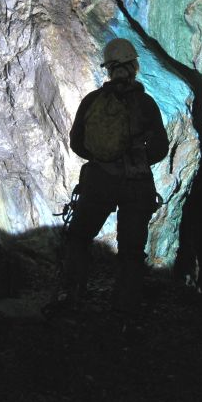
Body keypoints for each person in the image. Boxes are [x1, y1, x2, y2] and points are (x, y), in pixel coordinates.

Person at [54, 38, 169, 314]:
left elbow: (76, 142)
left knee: (79, 237)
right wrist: (137, 158)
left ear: (108, 69)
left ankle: (72, 295)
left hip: (99, 181)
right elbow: (161, 148)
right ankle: (125, 312)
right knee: (131, 252)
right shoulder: (146, 104)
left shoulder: (92, 101)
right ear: (134, 67)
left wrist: (102, 156)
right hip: (137, 185)